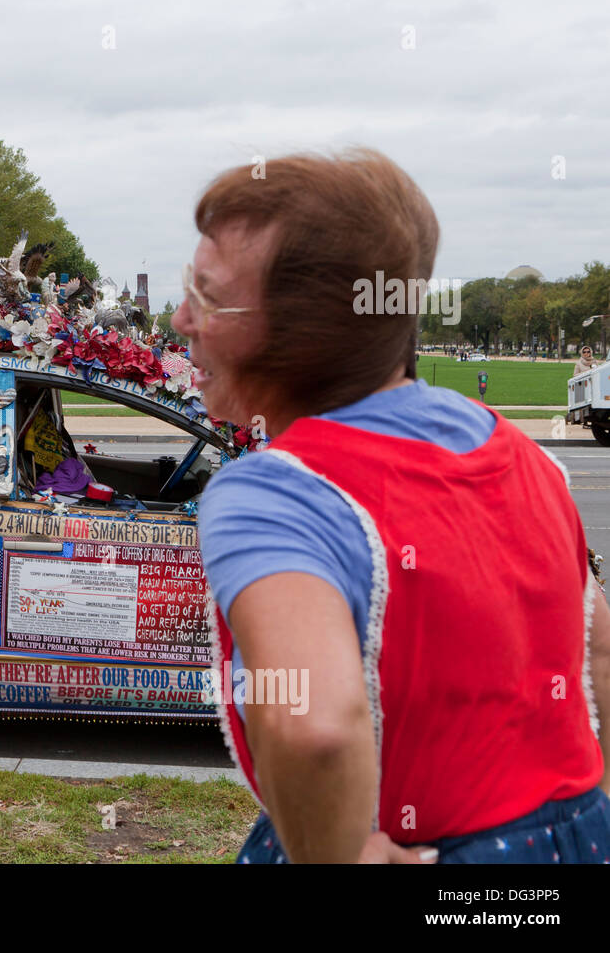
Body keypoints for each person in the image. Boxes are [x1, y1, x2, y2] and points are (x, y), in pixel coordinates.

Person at [174, 149, 609, 864]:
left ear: (304, 336)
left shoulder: (275, 492)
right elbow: (600, 652)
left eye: (213, 297)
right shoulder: (532, 461)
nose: (184, 317)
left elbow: (312, 728)